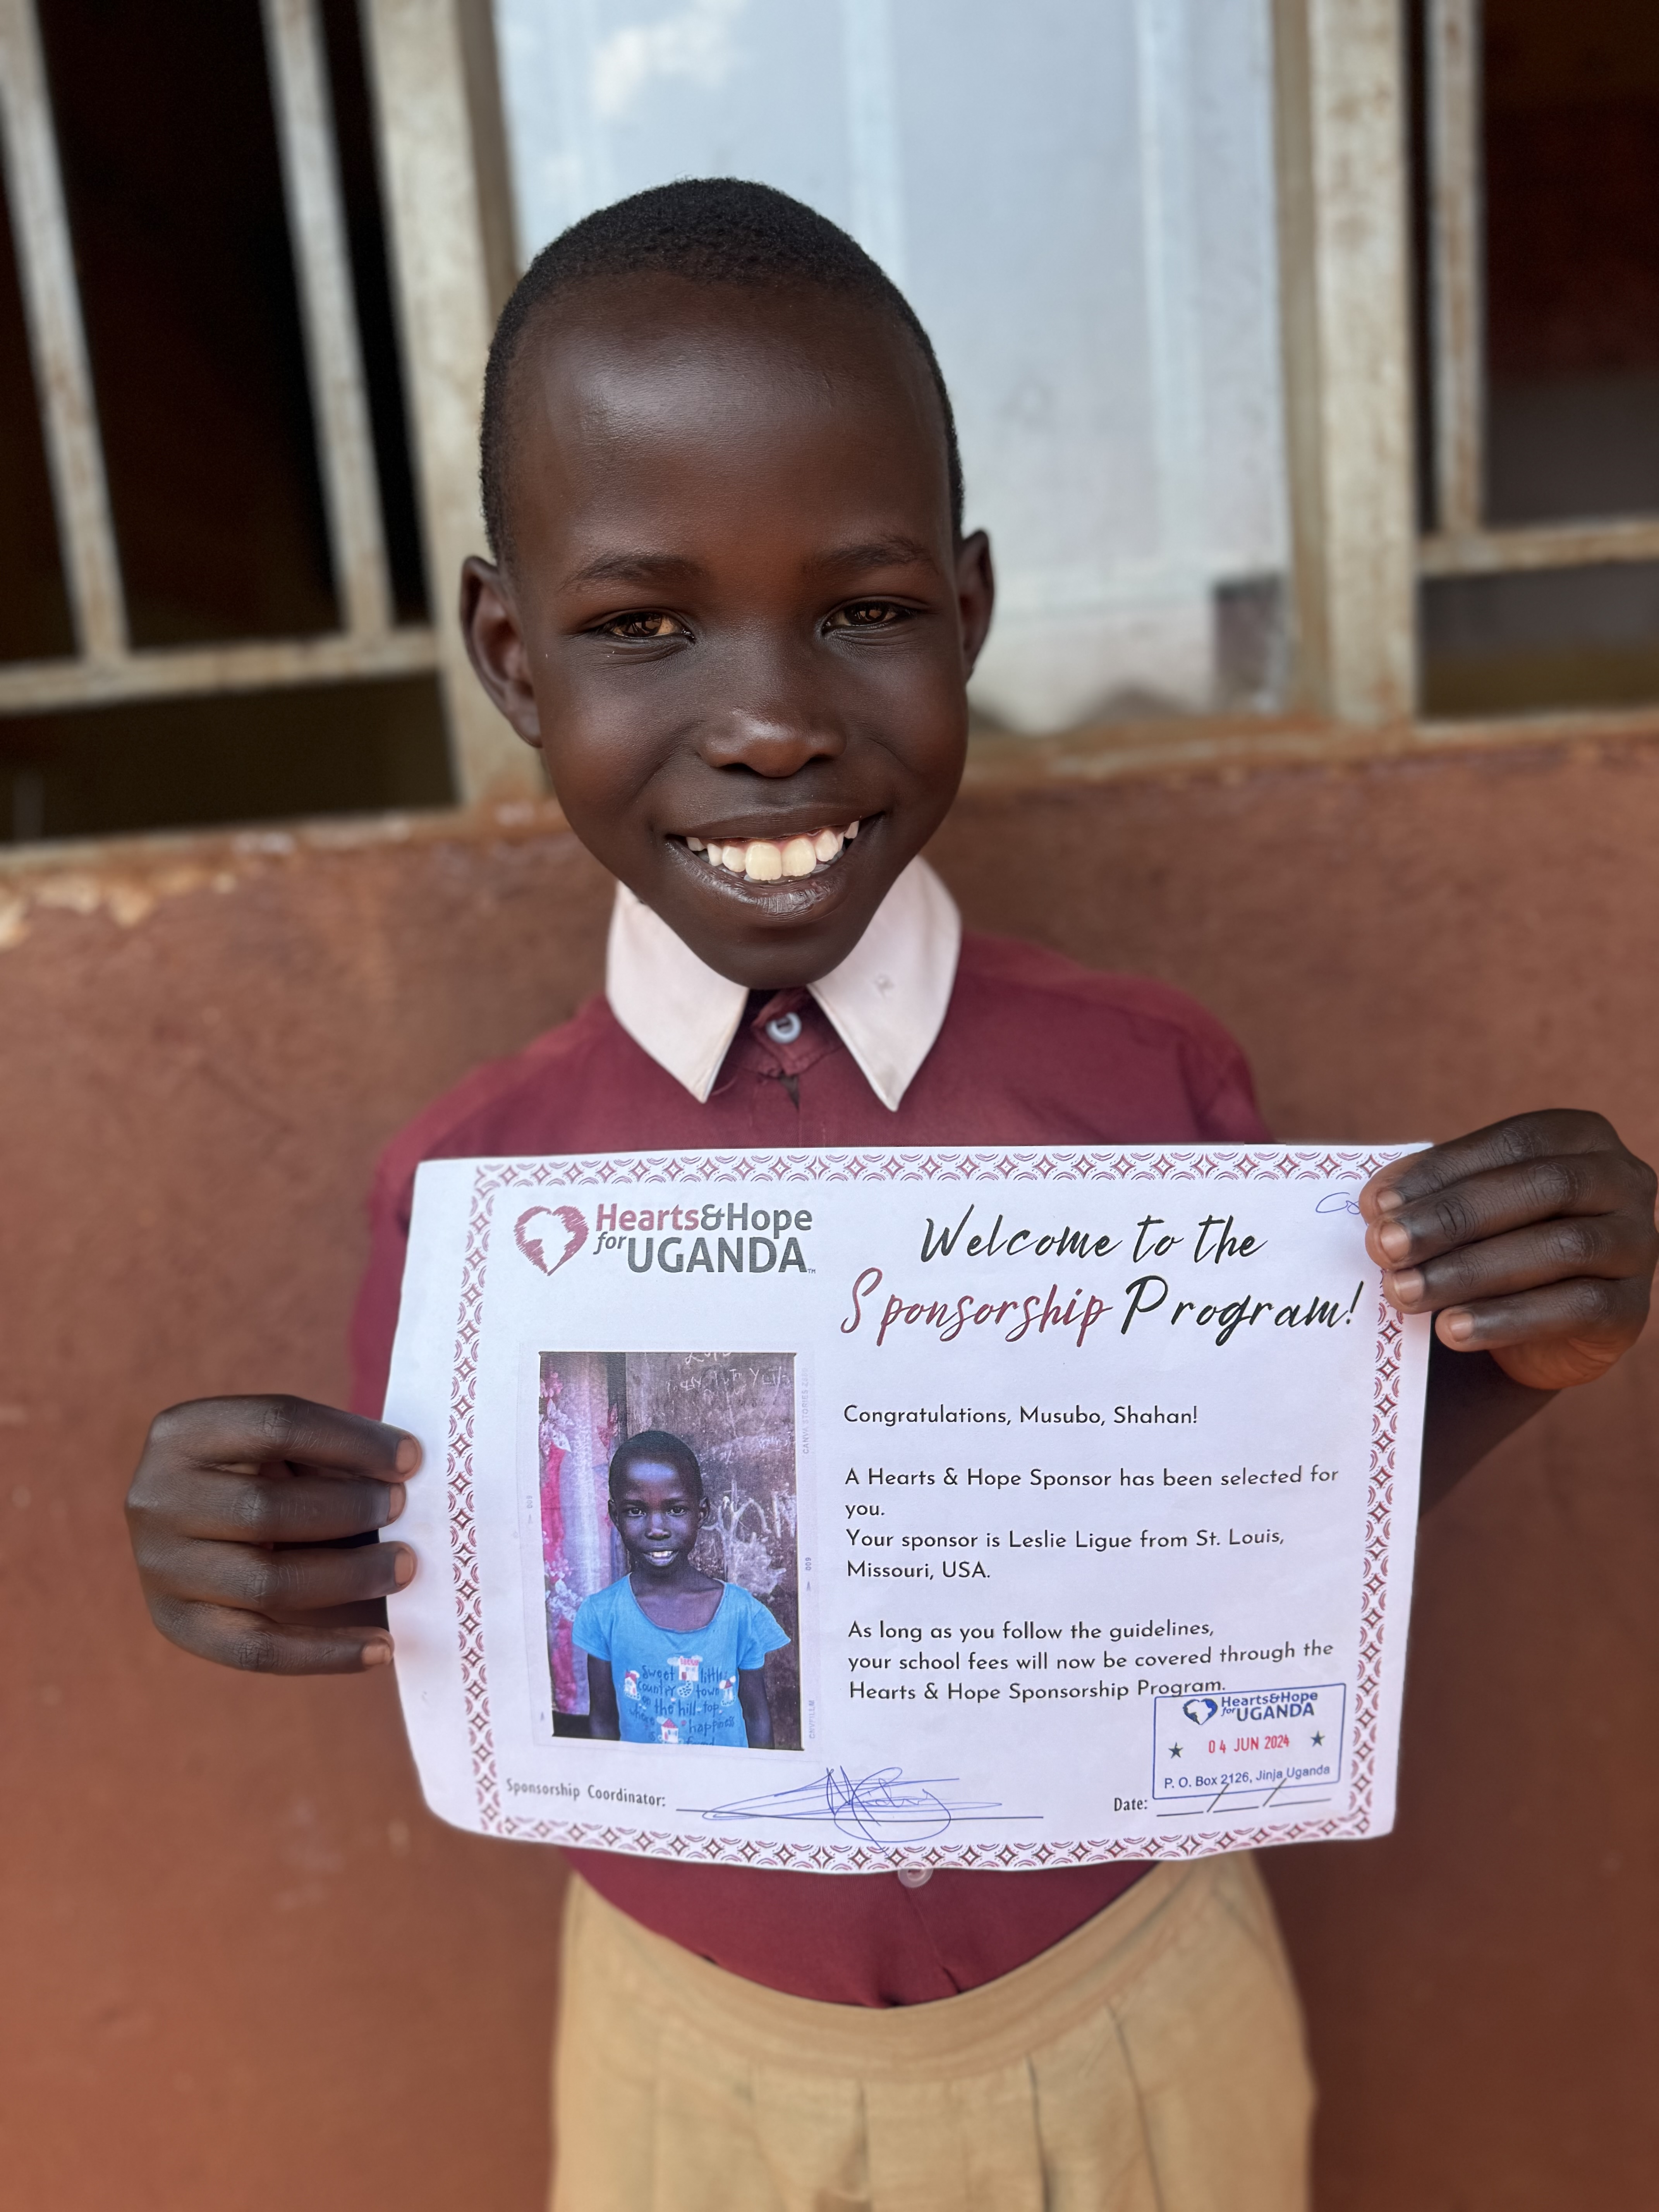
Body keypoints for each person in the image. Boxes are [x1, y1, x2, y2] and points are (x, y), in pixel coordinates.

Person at [124, 180, 1658, 2210]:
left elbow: (1265, 1513)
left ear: (966, 611)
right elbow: (446, 1593)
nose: (766, 718)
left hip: (1131, 2001)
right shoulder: (473, 1200)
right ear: (509, 650)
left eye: (857, 608)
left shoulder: (1145, 1083)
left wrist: (1517, 1352)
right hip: (696, 2059)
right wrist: (255, 1561)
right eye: (639, 626)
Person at [576, 1429, 787, 1748]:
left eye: (675, 1510)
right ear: (615, 1516)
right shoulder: (602, 1615)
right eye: (636, 1511)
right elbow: (603, 1721)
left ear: (701, 1513)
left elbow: (757, 1719)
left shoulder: (741, 1613)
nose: (657, 1529)